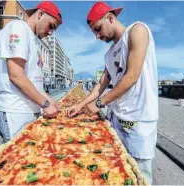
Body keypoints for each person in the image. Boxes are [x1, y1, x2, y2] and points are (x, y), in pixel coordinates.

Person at [66, 2, 158, 184]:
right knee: (116, 169)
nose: (97, 36)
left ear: (110, 18)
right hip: (116, 117)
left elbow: (131, 76)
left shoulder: (137, 31)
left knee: (140, 173)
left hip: (138, 119)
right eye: (94, 32)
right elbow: (100, 85)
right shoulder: (109, 54)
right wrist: (81, 104)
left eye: (98, 29)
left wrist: (100, 103)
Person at [0, 1, 63, 143]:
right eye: (51, 26)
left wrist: (52, 103)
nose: (51, 32)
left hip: (27, 111)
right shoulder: (18, 28)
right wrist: (46, 105)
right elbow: (16, 75)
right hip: (15, 112)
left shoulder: (34, 39)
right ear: (40, 14)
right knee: (17, 161)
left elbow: (35, 82)